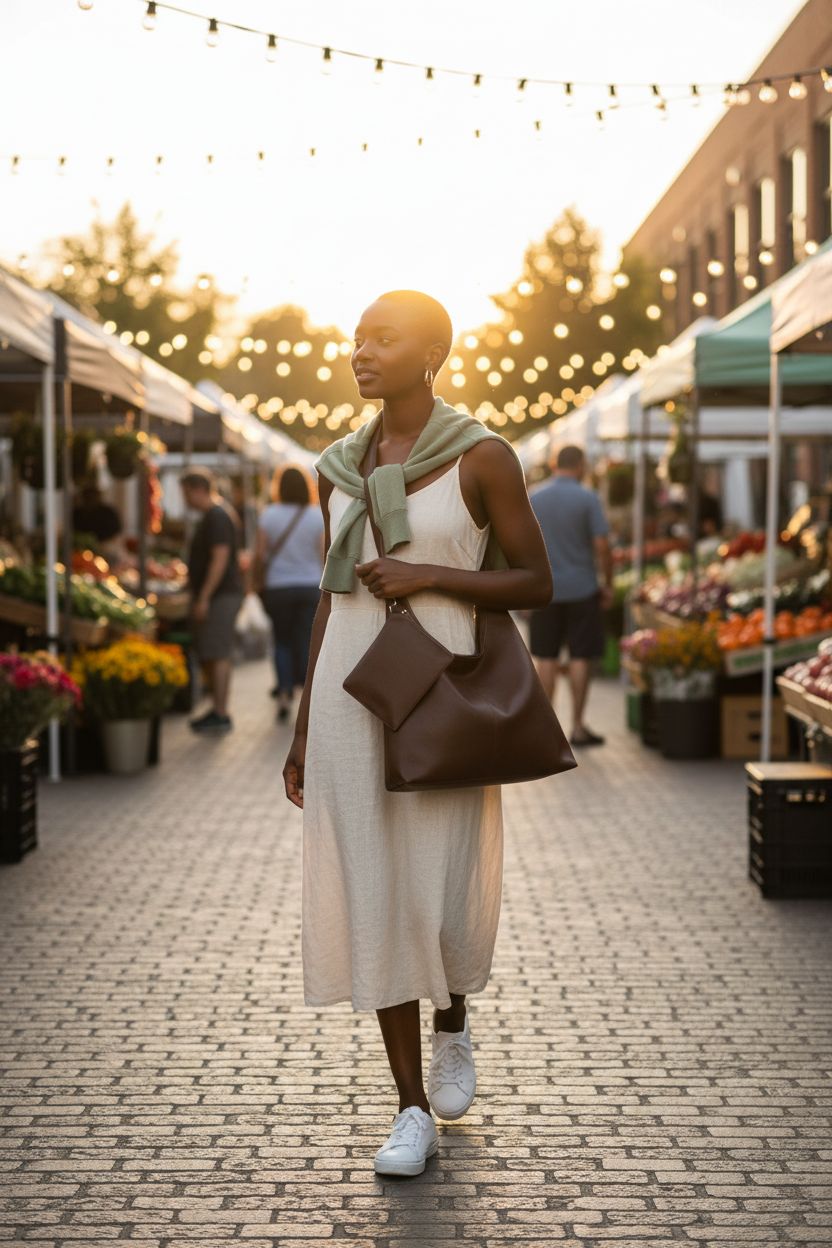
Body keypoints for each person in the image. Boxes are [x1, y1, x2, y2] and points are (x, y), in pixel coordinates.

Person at [282, 290, 552, 1179]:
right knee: (376, 892)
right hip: (351, 698)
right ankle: (408, 1108)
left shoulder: (481, 457)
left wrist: (427, 572)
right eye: (355, 336)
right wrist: (301, 723)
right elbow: (333, 596)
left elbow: (535, 581)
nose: (360, 351)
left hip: (440, 690)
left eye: (382, 338)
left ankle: (455, 1022)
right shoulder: (338, 466)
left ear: (432, 352)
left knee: (437, 892)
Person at [528, 444, 613, 747]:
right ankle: (577, 726)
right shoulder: (588, 497)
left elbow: (520, 542)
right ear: (580, 465)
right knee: (580, 656)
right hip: (582, 588)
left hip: (544, 589)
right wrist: (608, 583)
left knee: (546, 658)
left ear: (554, 464)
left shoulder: (534, 496)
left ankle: (546, 730)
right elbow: (602, 546)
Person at [255, 464, 324, 722]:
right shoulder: (316, 516)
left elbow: (260, 555)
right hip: (309, 586)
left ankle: (284, 694)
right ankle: (308, 697)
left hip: (278, 587)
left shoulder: (269, 515)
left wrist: (256, 581)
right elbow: (323, 555)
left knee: (281, 641)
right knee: (306, 640)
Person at [179, 468, 244, 735]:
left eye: (184, 492)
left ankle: (220, 711)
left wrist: (204, 597)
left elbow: (220, 558)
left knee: (217, 652)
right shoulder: (217, 514)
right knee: (214, 650)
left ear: (197, 489)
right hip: (220, 594)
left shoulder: (216, 516)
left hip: (221, 595)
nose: (184, 499)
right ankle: (217, 708)